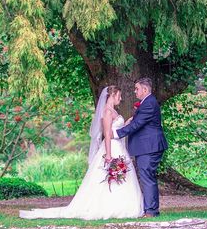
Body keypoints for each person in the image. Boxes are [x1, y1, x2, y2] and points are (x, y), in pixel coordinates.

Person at [19, 86, 144, 220]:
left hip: (118, 147)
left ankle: (122, 205)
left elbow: (115, 131)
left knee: (121, 176)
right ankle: (109, 206)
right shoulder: (107, 111)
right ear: (112, 95)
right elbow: (107, 135)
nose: (121, 98)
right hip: (112, 148)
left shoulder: (113, 111)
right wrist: (108, 155)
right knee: (107, 177)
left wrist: (126, 123)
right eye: (119, 95)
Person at [113, 78, 167, 217]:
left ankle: (151, 211)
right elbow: (137, 122)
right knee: (146, 176)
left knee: (147, 177)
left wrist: (117, 133)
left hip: (149, 147)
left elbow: (138, 124)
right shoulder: (147, 103)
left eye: (137, 89)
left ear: (145, 90)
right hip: (146, 147)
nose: (135, 91)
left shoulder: (149, 103)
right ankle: (150, 209)